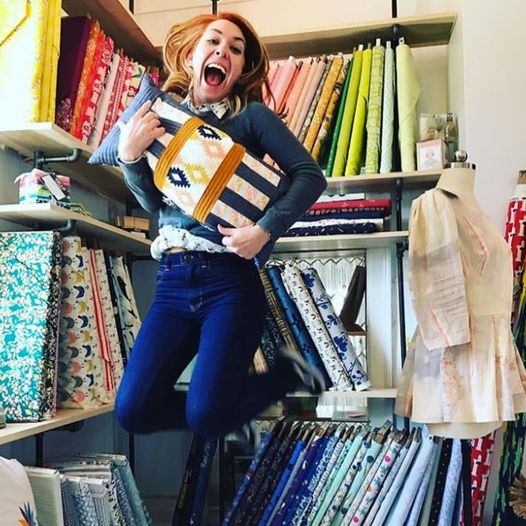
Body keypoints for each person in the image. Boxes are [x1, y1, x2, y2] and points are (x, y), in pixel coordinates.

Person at [114, 12, 328, 444]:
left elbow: (310, 176)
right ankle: (226, 414)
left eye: (235, 49)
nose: (223, 52)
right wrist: (130, 157)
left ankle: (288, 375)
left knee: (208, 414)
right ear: (192, 56)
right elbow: (153, 203)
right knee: (133, 411)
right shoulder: (161, 118)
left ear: (240, 69)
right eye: (214, 42)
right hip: (172, 283)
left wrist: (264, 231)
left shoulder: (251, 118)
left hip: (229, 282)